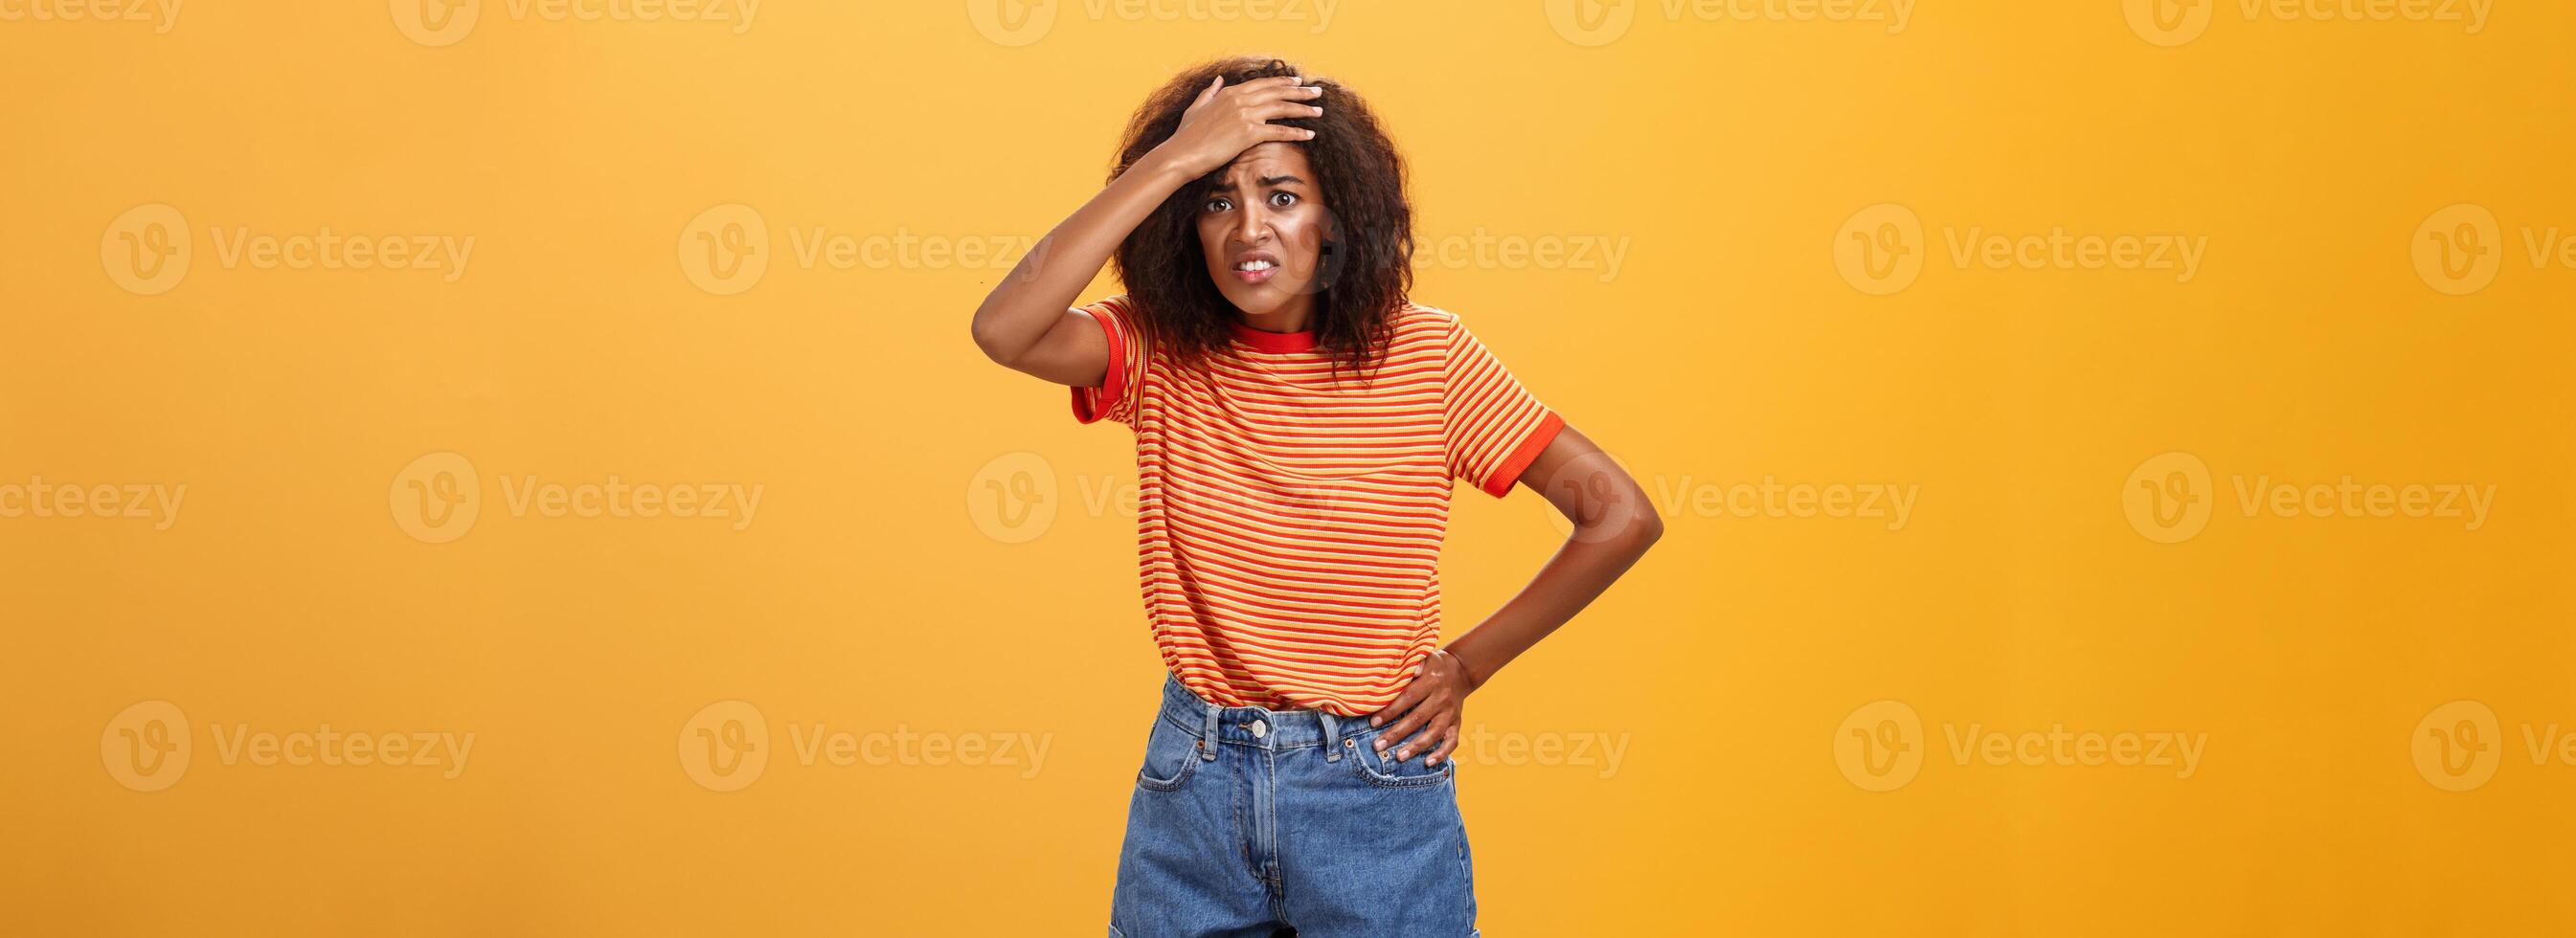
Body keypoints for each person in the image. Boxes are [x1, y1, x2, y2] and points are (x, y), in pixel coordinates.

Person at [971, 56, 1661, 937]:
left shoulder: (1430, 358)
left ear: (1339, 216)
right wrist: (1174, 159)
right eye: (1216, 201)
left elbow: (1619, 515)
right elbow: (1004, 327)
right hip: (1197, 784)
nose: (1246, 228)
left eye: (1282, 197)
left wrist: (1467, 665)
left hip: (1373, 787)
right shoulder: (1156, 353)